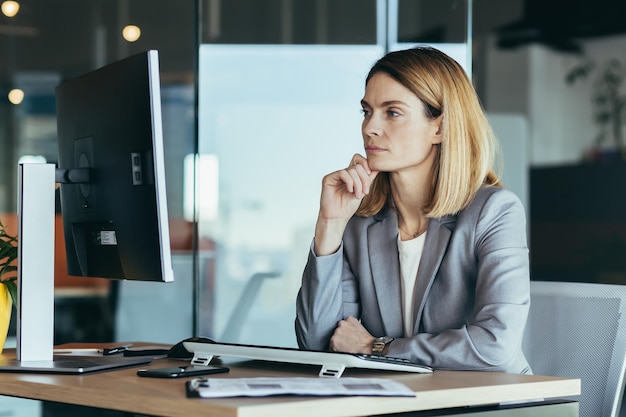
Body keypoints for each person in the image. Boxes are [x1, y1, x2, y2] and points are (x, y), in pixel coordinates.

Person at [295, 46, 531, 374]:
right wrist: (330, 225)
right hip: (400, 399)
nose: (369, 128)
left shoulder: (494, 213)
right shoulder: (361, 224)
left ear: (441, 127)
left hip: (487, 403)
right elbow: (319, 343)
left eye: (392, 112)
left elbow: (495, 349)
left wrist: (377, 347)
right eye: (367, 111)